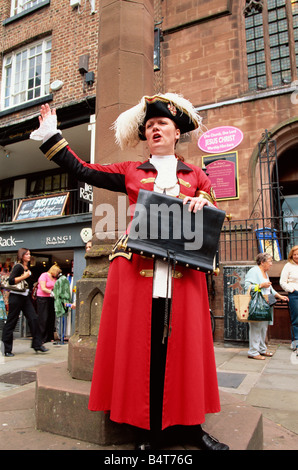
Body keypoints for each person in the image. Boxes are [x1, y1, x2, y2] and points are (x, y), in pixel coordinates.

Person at [31, 94, 228, 450]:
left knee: (184, 352)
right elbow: (83, 169)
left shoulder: (197, 174)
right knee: (145, 351)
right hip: (139, 272)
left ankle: (189, 428)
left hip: (184, 275)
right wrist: (50, 136)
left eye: (162, 124)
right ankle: (145, 432)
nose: (155, 129)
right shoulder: (131, 171)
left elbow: (215, 213)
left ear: (176, 132)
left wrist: (204, 201)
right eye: (150, 126)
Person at [1, 248, 48, 356]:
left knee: (34, 318)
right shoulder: (18, 266)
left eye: (29, 254)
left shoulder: (28, 267)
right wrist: (24, 276)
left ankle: (37, 345)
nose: (29, 256)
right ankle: (6, 349)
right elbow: (11, 280)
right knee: (11, 322)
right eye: (27, 254)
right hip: (16, 297)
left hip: (25, 297)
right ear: (22, 256)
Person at [245, 253, 288, 360]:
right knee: (256, 328)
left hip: (265, 304)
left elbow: (270, 289)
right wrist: (260, 285)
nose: (271, 264)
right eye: (270, 261)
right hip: (257, 305)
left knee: (263, 328)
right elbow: (247, 286)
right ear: (262, 262)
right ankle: (253, 352)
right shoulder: (254, 271)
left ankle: (262, 350)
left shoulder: (265, 273)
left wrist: (280, 296)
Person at [36, 264, 61, 344]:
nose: (57, 274)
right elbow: (43, 288)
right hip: (42, 298)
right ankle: (41, 337)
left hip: (50, 298)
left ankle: (49, 336)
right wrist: (51, 292)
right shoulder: (44, 275)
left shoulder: (54, 278)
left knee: (51, 317)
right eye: (57, 272)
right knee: (43, 318)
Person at [280, 246, 298, 351]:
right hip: (294, 295)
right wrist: (291, 290)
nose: (296, 256)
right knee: (296, 320)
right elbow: (282, 282)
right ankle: (296, 344)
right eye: (294, 254)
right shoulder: (288, 266)